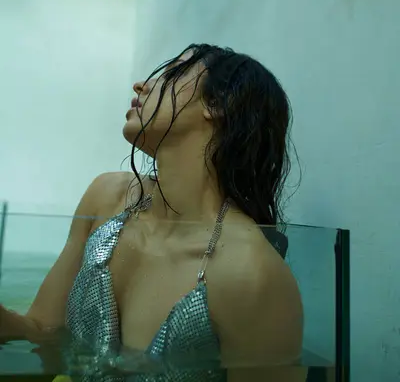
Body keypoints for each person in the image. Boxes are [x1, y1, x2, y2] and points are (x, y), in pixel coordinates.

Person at [0, 43, 304, 381]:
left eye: (171, 72)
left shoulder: (249, 271)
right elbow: (43, 333)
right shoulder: (106, 198)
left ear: (218, 104)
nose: (142, 85)